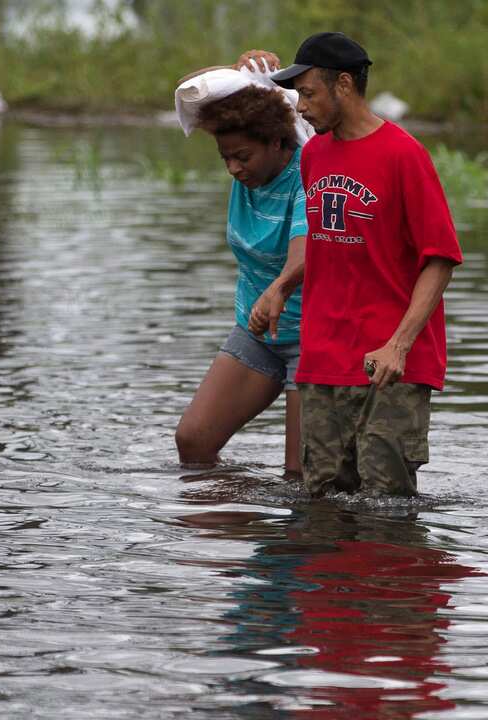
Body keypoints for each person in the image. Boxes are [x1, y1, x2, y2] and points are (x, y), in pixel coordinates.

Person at [263, 32, 463, 497]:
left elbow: (440, 260)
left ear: (345, 85)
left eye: (309, 94)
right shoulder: (313, 154)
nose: (301, 108)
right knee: (323, 508)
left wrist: (398, 345)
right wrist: (283, 286)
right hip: (323, 362)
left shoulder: (404, 155)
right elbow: (327, 238)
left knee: (386, 510)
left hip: (389, 367)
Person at [174, 53, 309, 475]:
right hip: (256, 330)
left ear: (276, 141)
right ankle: (235, 522)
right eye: (225, 158)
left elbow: (305, 253)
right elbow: (190, 90)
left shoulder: (309, 170)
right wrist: (236, 72)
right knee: (193, 442)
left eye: (243, 156)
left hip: (310, 339)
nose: (234, 168)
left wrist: (278, 289)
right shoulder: (248, 173)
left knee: (299, 475)